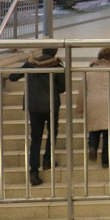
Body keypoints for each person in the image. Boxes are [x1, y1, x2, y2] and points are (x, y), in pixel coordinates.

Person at [8, 47, 65, 186]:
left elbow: (13, 77)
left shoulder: (30, 64)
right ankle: (47, 160)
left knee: (35, 138)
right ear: (55, 53)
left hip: (34, 107)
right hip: (51, 106)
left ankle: (34, 171)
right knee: (52, 132)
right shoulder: (57, 66)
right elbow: (62, 88)